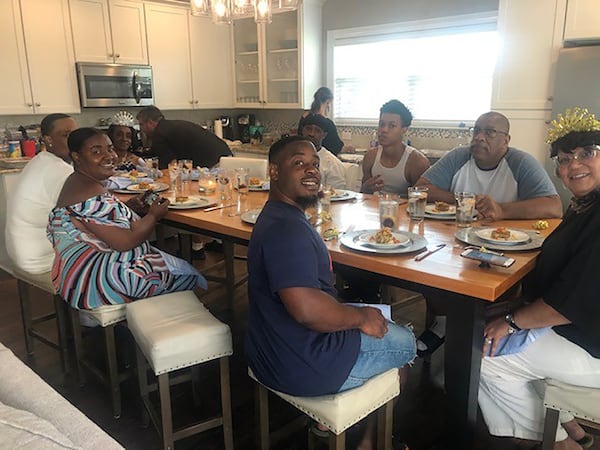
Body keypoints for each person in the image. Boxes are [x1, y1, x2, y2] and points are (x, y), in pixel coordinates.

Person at [246, 135, 416, 449]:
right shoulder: (287, 230)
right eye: (298, 163)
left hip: (269, 349)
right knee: (405, 344)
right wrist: (361, 316)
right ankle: (374, 442)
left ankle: (354, 434)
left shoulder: (277, 216)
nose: (311, 170)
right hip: (299, 364)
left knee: (381, 325)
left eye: (314, 164)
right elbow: (308, 310)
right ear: (273, 171)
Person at [478, 107, 600, 450]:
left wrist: (513, 321)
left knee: (484, 354)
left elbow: (574, 301)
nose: (573, 165)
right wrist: (515, 307)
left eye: (587, 154)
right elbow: (568, 280)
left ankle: (559, 443)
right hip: (580, 329)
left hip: (591, 345)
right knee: (487, 323)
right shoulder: (585, 206)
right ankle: (568, 426)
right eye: (563, 158)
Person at [414, 111, 563, 357]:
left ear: (506, 140)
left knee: (484, 285)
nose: (480, 138)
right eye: (476, 131)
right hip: (453, 242)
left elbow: (553, 205)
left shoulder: (520, 163)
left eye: (489, 132)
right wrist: (466, 200)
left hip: (504, 248)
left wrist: (502, 210)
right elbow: (421, 187)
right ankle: (443, 323)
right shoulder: (459, 156)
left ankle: (471, 329)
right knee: (426, 269)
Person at [48, 128, 206, 310]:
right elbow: (126, 242)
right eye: (96, 152)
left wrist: (129, 208)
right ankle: (160, 325)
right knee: (189, 275)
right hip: (101, 282)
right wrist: (154, 215)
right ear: (76, 156)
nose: (109, 156)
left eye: (109, 149)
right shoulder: (89, 192)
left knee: (174, 263)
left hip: (79, 275)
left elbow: (98, 223)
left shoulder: (79, 182)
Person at [6, 113, 77, 274]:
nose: (74, 141)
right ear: (48, 139)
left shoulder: (41, 160)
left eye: (75, 135)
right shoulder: (59, 170)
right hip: (41, 259)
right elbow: (88, 216)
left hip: (23, 252)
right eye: (66, 135)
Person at [361, 100, 430, 195]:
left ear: (404, 129)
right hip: (374, 208)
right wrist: (365, 188)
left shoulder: (417, 162)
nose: (384, 130)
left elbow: (421, 200)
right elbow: (363, 196)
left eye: (392, 126)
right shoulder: (370, 157)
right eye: (381, 124)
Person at [136, 106, 232, 169]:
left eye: (142, 124)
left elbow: (167, 165)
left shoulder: (159, 133)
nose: (142, 129)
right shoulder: (170, 126)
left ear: (151, 123)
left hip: (214, 164)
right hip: (225, 156)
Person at [297, 87, 353, 155]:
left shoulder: (304, 117)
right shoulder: (327, 124)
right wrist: (348, 149)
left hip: (305, 156)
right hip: (322, 160)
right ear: (328, 102)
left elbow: (299, 139)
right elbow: (336, 148)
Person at [300, 113, 347, 189]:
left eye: (317, 131)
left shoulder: (332, 163)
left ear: (324, 135)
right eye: (308, 129)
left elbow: (336, 193)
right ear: (302, 130)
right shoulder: (292, 156)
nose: (311, 134)